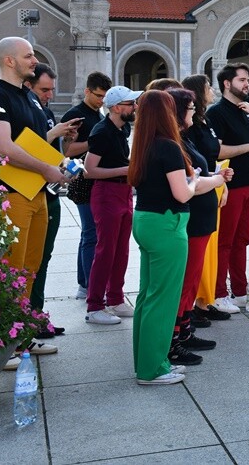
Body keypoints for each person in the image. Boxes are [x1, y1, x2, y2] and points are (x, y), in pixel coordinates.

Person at [0, 38, 72, 366]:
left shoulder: (28, 98)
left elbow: (34, 143)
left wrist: (58, 166)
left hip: (37, 194)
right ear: (9, 60)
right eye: (28, 55)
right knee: (10, 270)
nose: (34, 60)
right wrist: (48, 168)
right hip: (11, 195)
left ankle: (21, 338)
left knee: (29, 270)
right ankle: (3, 345)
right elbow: (3, 147)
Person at [128, 90, 198, 385]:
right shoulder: (168, 147)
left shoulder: (142, 144)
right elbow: (181, 193)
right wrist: (193, 182)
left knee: (147, 296)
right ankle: (152, 368)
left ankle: (150, 361)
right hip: (167, 224)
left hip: (146, 220)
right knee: (163, 299)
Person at [167, 88, 232, 366]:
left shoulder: (184, 139)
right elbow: (189, 182)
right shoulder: (174, 142)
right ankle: (175, 339)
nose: (195, 112)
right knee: (184, 282)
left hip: (202, 219)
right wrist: (215, 180)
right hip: (191, 220)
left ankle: (184, 331)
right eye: (191, 108)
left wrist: (215, 176)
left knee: (191, 281)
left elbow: (197, 174)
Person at [207, 63, 249, 312]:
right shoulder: (217, 112)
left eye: (247, 80)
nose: (247, 84)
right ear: (227, 83)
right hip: (231, 185)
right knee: (225, 241)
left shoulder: (247, 110)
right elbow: (218, 150)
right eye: (242, 80)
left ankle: (238, 291)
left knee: (242, 240)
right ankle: (218, 292)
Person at [24, 64, 76, 339]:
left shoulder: (42, 111)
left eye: (52, 89)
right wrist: (54, 133)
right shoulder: (25, 108)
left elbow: (50, 154)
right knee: (32, 261)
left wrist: (66, 154)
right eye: (44, 89)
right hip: (30, 192)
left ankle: (37, 315)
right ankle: (29, 319)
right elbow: (24, 149)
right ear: (29, 87)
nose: (50, 95)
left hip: (49, 191)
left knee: (43, 259)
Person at [83, 85, 142, 325]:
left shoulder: (122, 128)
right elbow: (89, 170)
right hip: (106, 193)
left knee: (121, 250)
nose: (135, 107)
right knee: (106, 250)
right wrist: (127, 169)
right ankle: (95, 305)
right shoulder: (101, 131)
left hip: (123, 191)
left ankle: (115, 299)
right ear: (117, 107)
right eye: (130, 103)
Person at [181, 74, 231, 327]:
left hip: (212, 184)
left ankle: (204, 301)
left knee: (206, 253)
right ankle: (189, 311)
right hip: (199, 193)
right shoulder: (190, 129)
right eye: (208, 87)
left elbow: (213, 155)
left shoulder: (204, 120)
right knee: (195, 259)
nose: (212, 90)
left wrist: (220, 182)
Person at [62, 70, 111, 299]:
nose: (101, 100)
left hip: (97, 180)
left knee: (91, 234)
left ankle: (87, 282)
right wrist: (96, 140)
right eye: (98, 96)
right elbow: (67, 151)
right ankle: (87, 285)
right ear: (87, 91)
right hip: (82, 180)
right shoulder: (76, 115)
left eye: (104, 97)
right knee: (91, 234)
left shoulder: (98, 115)